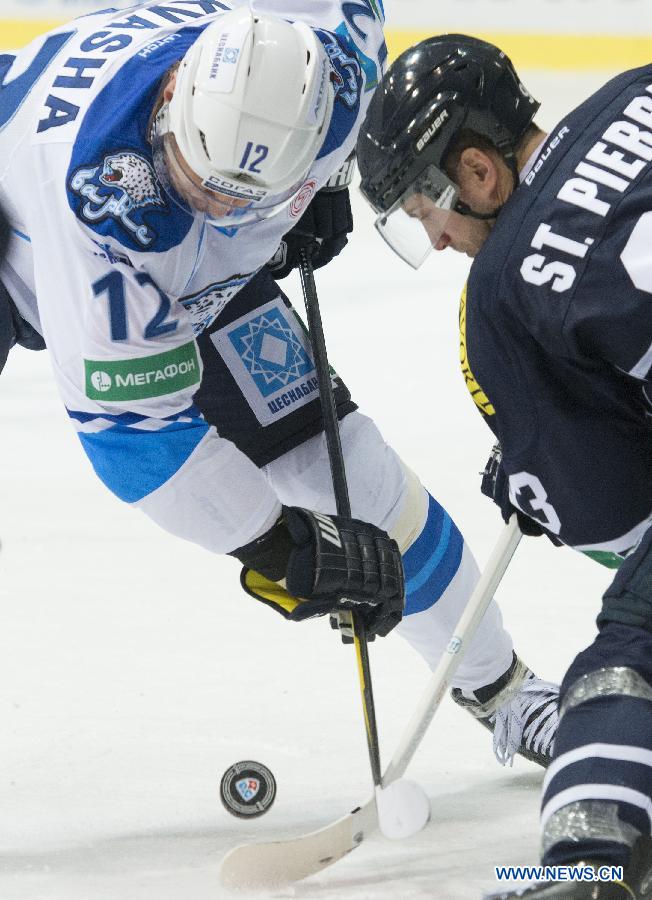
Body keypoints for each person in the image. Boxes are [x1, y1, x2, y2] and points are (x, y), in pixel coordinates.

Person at [0, 3, 557, 775]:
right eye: (198, 180)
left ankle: (502, 690)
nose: (213, 205)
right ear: (174, 102)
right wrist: (275, 543)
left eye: (239, 197)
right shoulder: (108, 213)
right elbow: (136, 438)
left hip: (201, 272)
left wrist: (324, 184)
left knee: (349, 473)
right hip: (24, 211)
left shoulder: (341, 64)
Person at [357, 33, 652, 898]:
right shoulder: (635, 88)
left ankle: (580, 872)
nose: (440, 241)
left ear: (480, 174)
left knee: (630, 650)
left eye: (424, 209)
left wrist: (541, 478)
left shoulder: (502, 298)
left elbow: (618, 515)